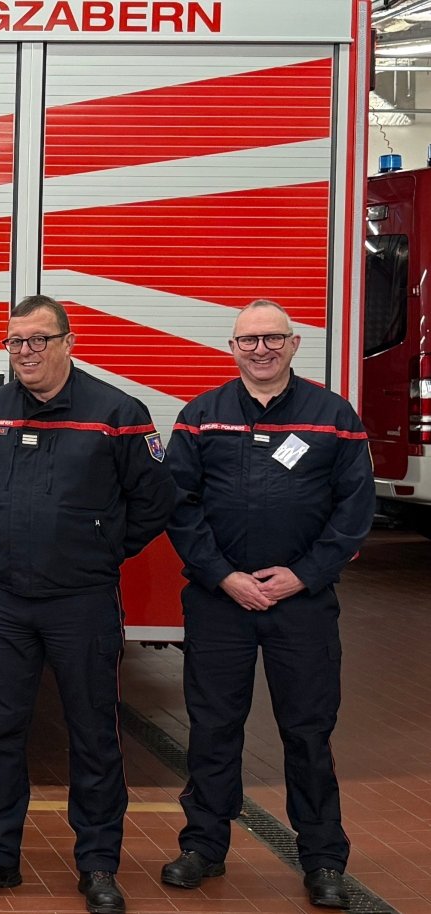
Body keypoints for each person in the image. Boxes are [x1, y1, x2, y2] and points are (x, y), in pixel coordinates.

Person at [0, 295, 174, 914]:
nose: (25, 353)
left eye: (37, 340)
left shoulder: (117, 413)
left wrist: (103, 549)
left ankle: (99, 865)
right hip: (3, 603)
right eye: (14, 342)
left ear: (69, 342)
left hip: (81, 602)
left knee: (93, 735)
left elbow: (156, 498)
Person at [160, 300, 373, 910]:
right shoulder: (202, 416)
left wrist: (301, 577)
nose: (261, 350)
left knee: (308, 733)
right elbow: (180, 506)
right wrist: (224, 576)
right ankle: (203, 845)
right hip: (219, 602)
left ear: (294, 343)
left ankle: (324, 858)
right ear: (232, 347)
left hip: (301, 606)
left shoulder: (333, 416)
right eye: (249, 340)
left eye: (272, 339)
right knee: (213, 727)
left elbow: (354, 510)